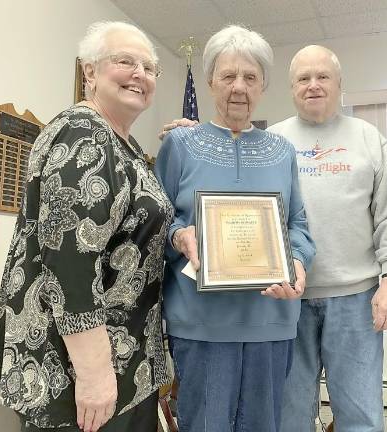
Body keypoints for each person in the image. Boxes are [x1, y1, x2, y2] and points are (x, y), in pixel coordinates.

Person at [161, 44, 387, 432]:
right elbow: (170, 211)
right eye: (303, 78)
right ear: (290, 87)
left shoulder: (358, 139)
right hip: (279, 303)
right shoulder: (268, 138)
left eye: (323, 77)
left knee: (360, 413)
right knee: (290, 418)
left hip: (347, 296)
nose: (313, 86)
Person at [0, 21, 173, 432]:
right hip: (78, 374)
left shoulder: (125, 144)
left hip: (124, 365)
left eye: (149, 67)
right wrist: (94, 374)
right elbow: (69, 259)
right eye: (125, 61)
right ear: (90, 72)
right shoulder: (83, 132)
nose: (140, 73)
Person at [154, 25, 316, 432]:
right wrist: (178, 235)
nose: (239, 87)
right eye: (228, 76)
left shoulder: (282, 150)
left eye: (250, 77)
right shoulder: (180, 145)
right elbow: (156, 221)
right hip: (201, 322)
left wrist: (296, 261)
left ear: (263, 85)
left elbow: (297, 223)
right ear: (210, 82)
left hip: (271, 319)